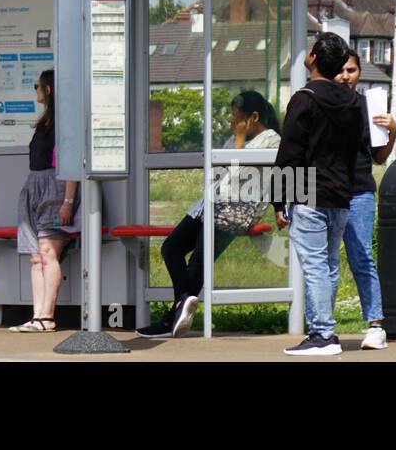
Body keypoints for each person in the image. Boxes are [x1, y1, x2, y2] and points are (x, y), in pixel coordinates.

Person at [136, 90, 282, 339]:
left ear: (253, 117)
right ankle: (183, 303)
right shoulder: (238, 139)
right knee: (171, 248)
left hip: (235, 210)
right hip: (210, 205)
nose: (231, 123)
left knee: (197, 265)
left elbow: (237, 167)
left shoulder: (272, 140)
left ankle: (171, 319)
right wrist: (236, 138)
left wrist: (237, 140)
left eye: (236, 118)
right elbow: (221, 165)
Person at [274, 31, 362, 356]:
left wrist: (279, 201)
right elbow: (355, 150)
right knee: (328, 266)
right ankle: (321, 331)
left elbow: (290, 155)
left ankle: (323, 334)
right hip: (340, 192)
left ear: (312, 58)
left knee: (313, 266)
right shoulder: (353, 101)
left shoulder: (305, 98)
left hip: (309, 192)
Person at [334, 50, 396, 350]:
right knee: (325, 261)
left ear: (359, 73)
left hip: (359, 191)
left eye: (351, 70)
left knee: (361, 258)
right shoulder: (320, 104)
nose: (345, 75)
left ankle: (375, 325)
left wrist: (393, 132)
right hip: (327, 193)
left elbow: (378, 157)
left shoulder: (368, 105)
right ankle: (322, 326)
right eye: (340, 70)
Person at [11, 70, 79, 333]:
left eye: (36, 86)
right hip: (37, 187)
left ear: (47, 89)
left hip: (56, 189)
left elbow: (71, 163)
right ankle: (38, 314)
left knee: (48, 252)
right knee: (37, 256)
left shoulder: (65, 123)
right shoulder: (45, 123)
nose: (35, 91)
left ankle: (47, 316)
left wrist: (68, 201)